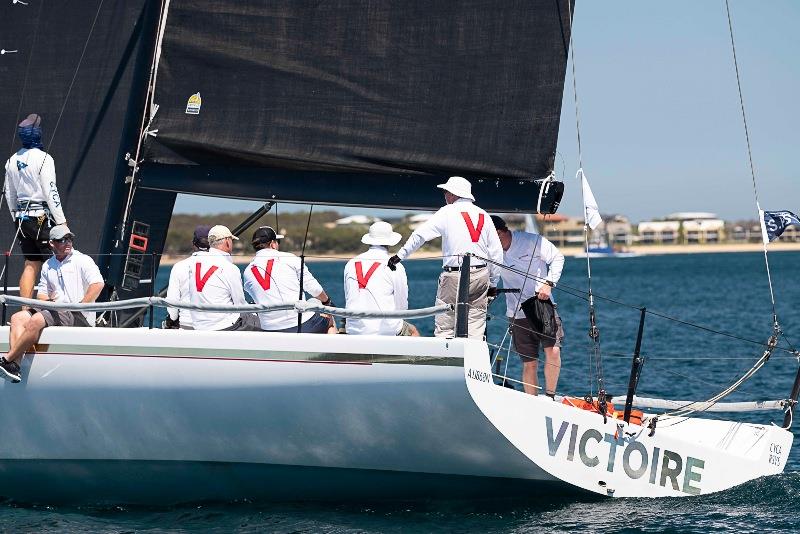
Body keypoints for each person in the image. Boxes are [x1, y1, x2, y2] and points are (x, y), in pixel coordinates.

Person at [389, 176, 503, 339]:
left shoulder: (446, 212)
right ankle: (472, 362)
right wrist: (493, 283)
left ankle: (447, 361)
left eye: (445, 192)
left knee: (446, 324)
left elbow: (420, 235)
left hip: (454, 275)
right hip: (481, 275)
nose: (444, 195)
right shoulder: (483, 214)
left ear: (453, 194)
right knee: (476, 325)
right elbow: (496, 252)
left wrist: (400, 255)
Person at [0, 225, 103, 383]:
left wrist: (80, 306)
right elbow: (42, 295)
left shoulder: (83, 260)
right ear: (52, 244)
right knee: (17, 318)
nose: (68, 242)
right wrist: (49, 303)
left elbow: (97, 284)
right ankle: (15, 365)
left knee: (35, 320)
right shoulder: (48, 265)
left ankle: (7, 359)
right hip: (55, 310)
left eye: (69, 239)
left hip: (78, 315)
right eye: (63, 240)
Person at [492, 215, 565, 397]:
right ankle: (532, 401)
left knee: (553, 351)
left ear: (500, 233)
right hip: (516, 311)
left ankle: (550, 396)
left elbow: (558, 257)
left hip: (540, 304)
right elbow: (489, 274)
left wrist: (549, 283)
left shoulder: (530, 241)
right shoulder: (492, 251)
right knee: (529, 362)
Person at [4, 114, 68, 300]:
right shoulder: (44, 158)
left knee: (31, 263)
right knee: (55, 261)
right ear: (37, 134)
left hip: (21, 220)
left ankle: (25, 309)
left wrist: (16, 217)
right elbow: (51, 191)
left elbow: (10, 195)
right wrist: (62, 221)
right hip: (41, 217)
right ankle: (51, 309)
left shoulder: (11, 161)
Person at [243, 226, 336, 333]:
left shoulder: (247, 271)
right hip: (302, 324)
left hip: (270, 329)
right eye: (277, 241)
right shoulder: (290, 258)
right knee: (329, 317)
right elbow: (314, 289)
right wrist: (327, 301)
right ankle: (331, 349)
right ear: (273, 244)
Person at [344, 221, 419, 337]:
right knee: (413, 331)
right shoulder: (395, 266)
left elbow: (349, 297)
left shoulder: (351, 263)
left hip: (353, 329)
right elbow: (402, 307)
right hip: (385, 331)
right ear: (390, 242)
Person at [188, 225, 260, 331]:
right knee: (264, 321)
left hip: (199, 326)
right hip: (224, 326)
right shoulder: (230, 268)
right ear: (227, 241)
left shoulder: (194, 264)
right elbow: (240, 305)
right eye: (231, 240)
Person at [163, 225, 211, 330]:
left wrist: (172, 319)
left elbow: (172, 305)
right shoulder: (223, 266)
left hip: (186, 324)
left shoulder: (179, 266)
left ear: (193, 244)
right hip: (213, 325)